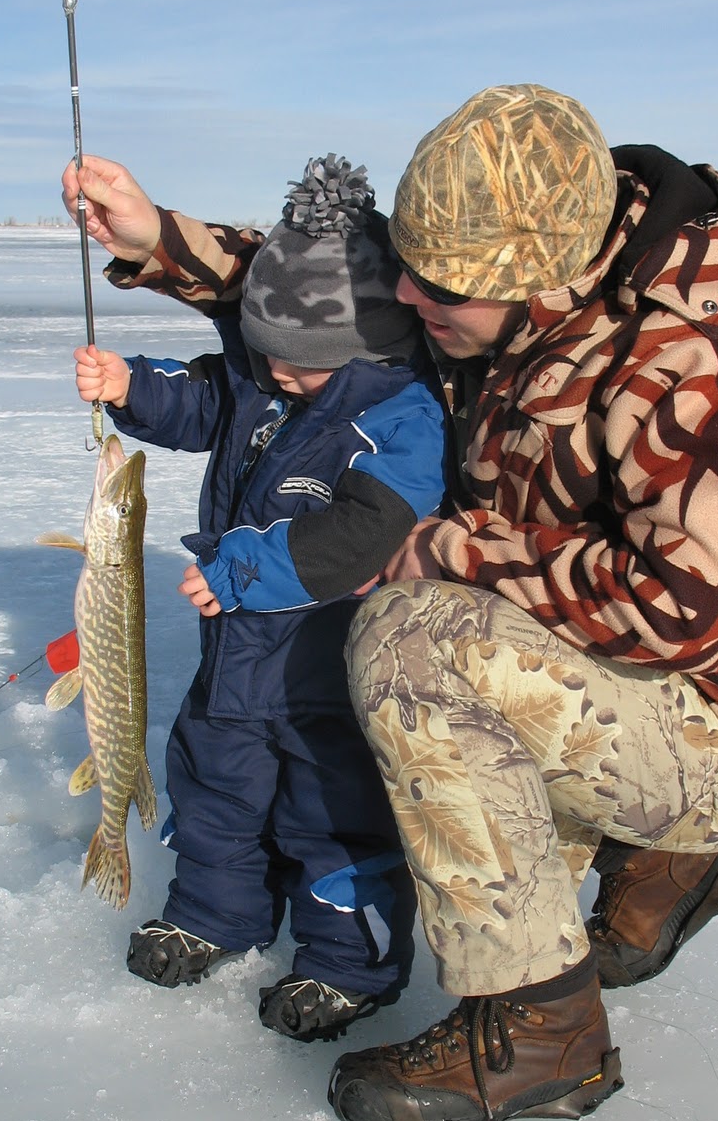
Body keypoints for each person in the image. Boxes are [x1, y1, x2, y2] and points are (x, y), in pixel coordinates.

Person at [64, 83, 718, 1121]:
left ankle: (544, 1032)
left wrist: (434, 549)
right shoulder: (490, 283)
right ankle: (651, 855)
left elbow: (676, 613)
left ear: (538, 282)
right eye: (407, 265)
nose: (405, 295)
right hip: (580, 656)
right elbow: (333, 308)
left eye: (433, 286)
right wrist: (157, 239)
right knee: (425, 663)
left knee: (412, 638)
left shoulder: (716, 363)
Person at [66, 153, 448, 1043]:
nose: (273, 374)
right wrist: (132, 388)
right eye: (263, 352)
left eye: (297, 364)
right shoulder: (270, 374)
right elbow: (210, 399)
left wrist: (241, 570)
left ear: (361, 347)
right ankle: (213, 916)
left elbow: (364, 532)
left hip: (329, 670)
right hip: (236, 659)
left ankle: (346, 966)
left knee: (334, 819)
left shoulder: (404, 418)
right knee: (213, 792)